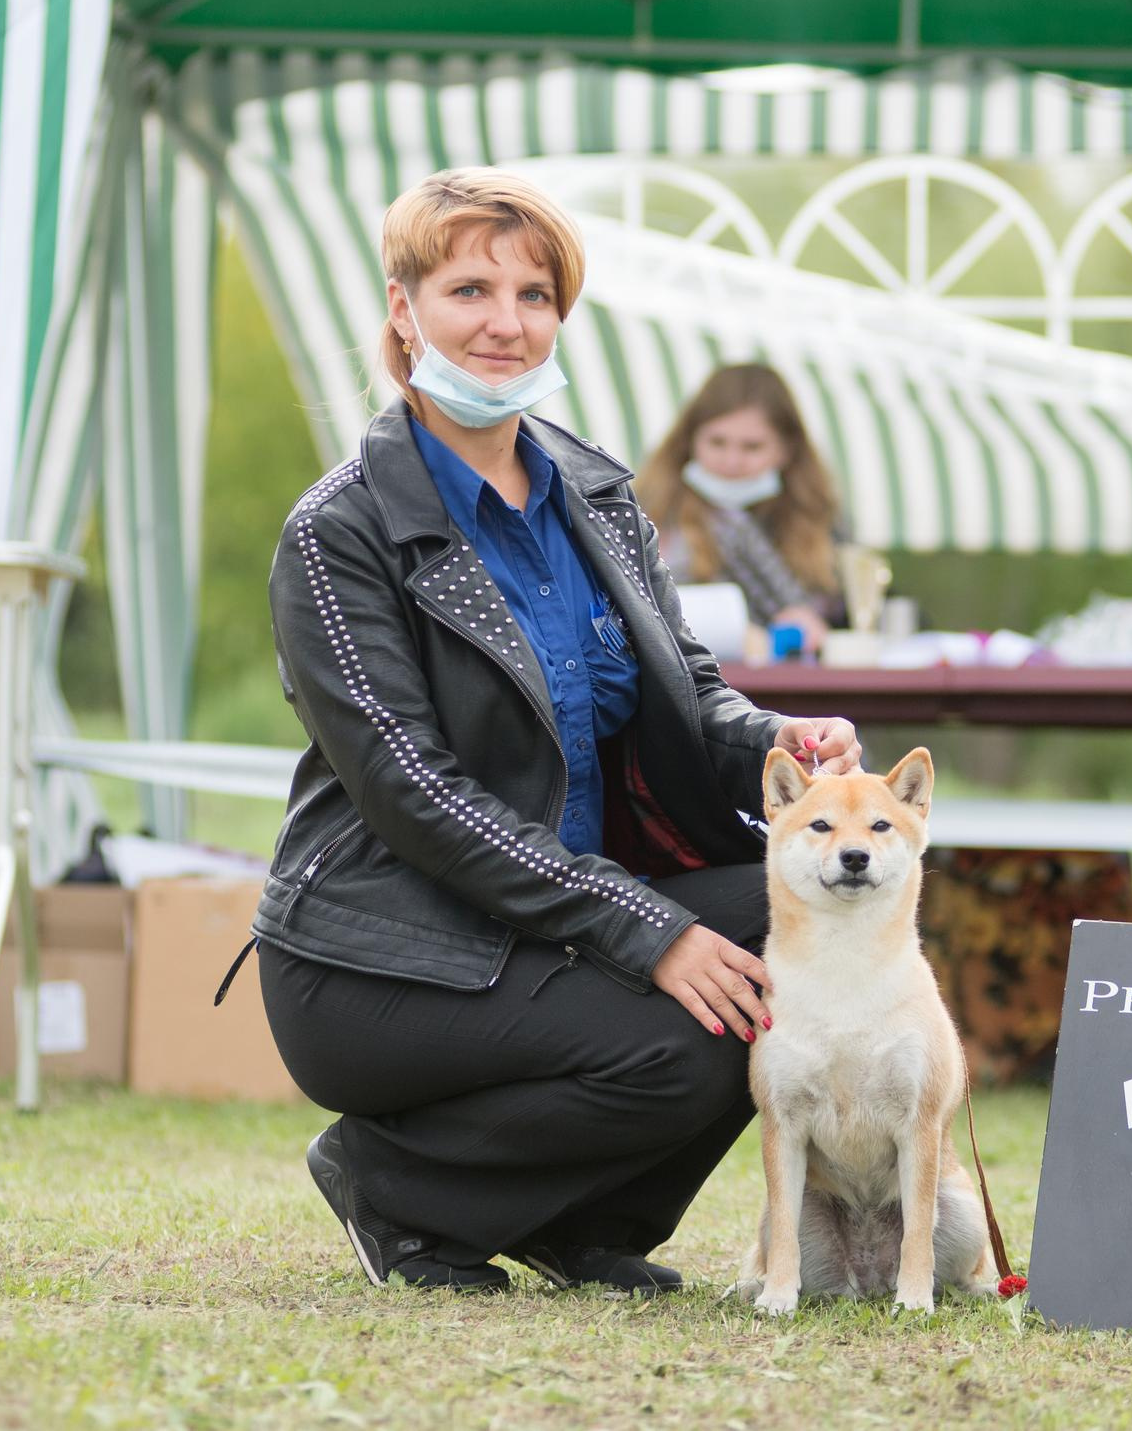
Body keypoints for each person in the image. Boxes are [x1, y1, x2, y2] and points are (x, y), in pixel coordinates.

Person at [251, 168, 862, 1293]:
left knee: (823, 903)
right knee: (691, 1028)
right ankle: (390, 1182)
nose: (505, 321)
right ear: (403, 310)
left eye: (535, 294)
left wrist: (785, 737)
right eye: (469, 288)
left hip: (552, 917)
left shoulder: (598, 495)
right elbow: (416, 794)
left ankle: (575, 1221)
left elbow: (687, 688)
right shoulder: (338, 534)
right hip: (381, 949)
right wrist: (647, 927)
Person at [636, 363, 848, 655]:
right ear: (690, 441)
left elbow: (841, 618)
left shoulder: (819, 516)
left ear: (786, 450)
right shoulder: (647, 513)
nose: (732, 461)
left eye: (752, 447)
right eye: (717, 442)